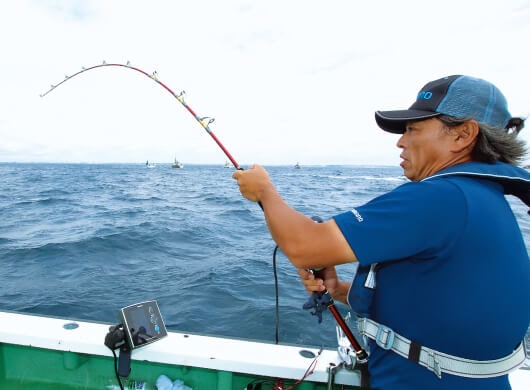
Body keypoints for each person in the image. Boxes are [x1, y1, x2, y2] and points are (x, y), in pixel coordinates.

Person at [233, 75, 530, 390]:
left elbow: (304, 247)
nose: (401, 141)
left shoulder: (443, 197)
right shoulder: (484, 199)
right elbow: (436, 307)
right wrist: (337, 289)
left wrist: (264, 191)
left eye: (413, 129)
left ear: (463, 135)